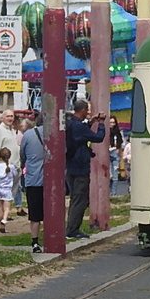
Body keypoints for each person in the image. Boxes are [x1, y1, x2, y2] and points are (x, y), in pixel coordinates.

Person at [65, 99, 106, 239]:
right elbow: (98, 138)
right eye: (87, 110)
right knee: (80, 199)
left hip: (70, 165)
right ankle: (72, 229)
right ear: (82, 110)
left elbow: (81, 132)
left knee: (74, 198)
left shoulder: (70, 123)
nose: (88, 112)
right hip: (80, 167)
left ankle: (71, 227)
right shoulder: (79, 127)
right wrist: (101, 124)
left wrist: (91, 121)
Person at [0, 110, 22, 217]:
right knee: (4, 192)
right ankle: (3, 214)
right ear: (3, 118)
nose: (10, 118)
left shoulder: (12, 130)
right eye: (8, 116)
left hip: (15, 166)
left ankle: (7, 213)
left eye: (12, 116)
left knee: (12, 191)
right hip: (4, 167)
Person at [20, 116, 45, 253]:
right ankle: (52, 237)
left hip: (33, 179)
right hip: (51, 181)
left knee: (34, 214)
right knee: (49, 211)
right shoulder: (55, 134)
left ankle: (35, 242)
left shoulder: (28, 135)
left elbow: (22, 155)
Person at [108, 116, 123, 197]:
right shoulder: (106, 132)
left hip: (115, 153)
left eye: (113, 122)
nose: (112, 124)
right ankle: (108, 192)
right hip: (107, 153)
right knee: (108, 174)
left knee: (115, 174)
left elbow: (120, 145)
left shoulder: (118, 133)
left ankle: (113, 193)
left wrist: (121, 156)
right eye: (110, 122)